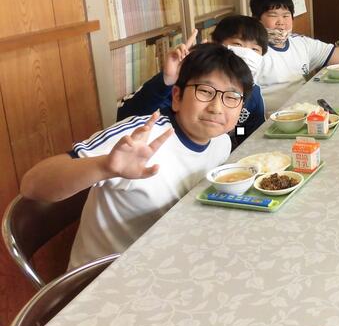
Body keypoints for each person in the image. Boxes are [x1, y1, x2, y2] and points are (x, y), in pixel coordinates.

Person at [20, 43, 253, 269]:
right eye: (205, 91)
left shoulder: (221, 143)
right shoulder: (139, 137)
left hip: (173, 257)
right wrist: (104, 167)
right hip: (107, 277)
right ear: (177, 96)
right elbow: (32, 185)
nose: (216, 107)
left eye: (231, 97)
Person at [117, 16, 267, 146]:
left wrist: (235, 143)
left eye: (255, 50)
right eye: (238, 45)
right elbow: (130, 119)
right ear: (216, 44)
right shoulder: (185, 85)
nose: (247, 54)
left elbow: (248, 130)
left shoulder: (252, 93)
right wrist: (167, 80)